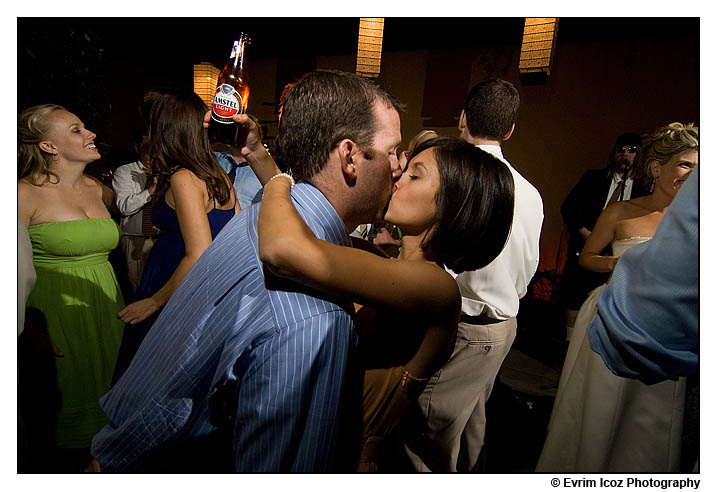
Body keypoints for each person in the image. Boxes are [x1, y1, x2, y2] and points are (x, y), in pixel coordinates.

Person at [89, 70, 403, 472]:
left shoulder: (264, 214)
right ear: (349, 156)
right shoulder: (312, 319)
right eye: (393, 151)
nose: (398, 166)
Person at [257, 136, 514, 471]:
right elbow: (307, 231)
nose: (397, 176)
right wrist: (256, 155)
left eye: (414, 175)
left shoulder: (437, 289)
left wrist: (276, 183)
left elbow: (282, 248)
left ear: (453, 204)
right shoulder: (394, 266)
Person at [536, 122, 698, 472]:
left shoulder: (696, 223)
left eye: (699, 169)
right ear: (658, 168)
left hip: (667, 330)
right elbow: (587, 258)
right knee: (600, 407)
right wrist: (624, 260)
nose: (693, 174)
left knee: (649, 417)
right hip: (613, 315)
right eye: (686, 164)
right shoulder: (620, 212)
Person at [402, 78, 544, 472]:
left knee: (428, 430)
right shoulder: (530, 192)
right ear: (509, 130)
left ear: (462, 118)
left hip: (462, 325)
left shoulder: (453, 178)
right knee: (471, 421)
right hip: (504, 325)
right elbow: (529, 267)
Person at [17, 104, 125, 469]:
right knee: (59, 426)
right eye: (76, 130)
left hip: (107, 308)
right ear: (48, 147)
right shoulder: (22, 194)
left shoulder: (100, 190)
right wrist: (26, 331)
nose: (90, 134)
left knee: (110, 410)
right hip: (54, 312)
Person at [110, 88, 240, 382]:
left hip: (172, 286)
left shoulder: (184, 178)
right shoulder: (218, 175)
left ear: (166, 131)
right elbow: (233, 234)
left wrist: (155, 301)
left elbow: (199, 251)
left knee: (147, 380)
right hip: (195, 287)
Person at [558, 132, 649, 339]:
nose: (625, 154)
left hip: (617, 256)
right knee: (575, 297)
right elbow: (569, 208)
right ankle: (569, 341)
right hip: (585, 248)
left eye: (632, 150)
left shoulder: (643, 190)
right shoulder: (594, 178)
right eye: (620, 150)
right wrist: (586, 234)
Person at [112, 155, 158, 295]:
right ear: (138, 147)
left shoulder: (170, 172)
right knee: (139, 290)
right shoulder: (124, 171)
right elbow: (125, 207)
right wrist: (150, 190)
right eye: (147, 146)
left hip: (163, 239)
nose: (152, 150)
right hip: (136, 239)